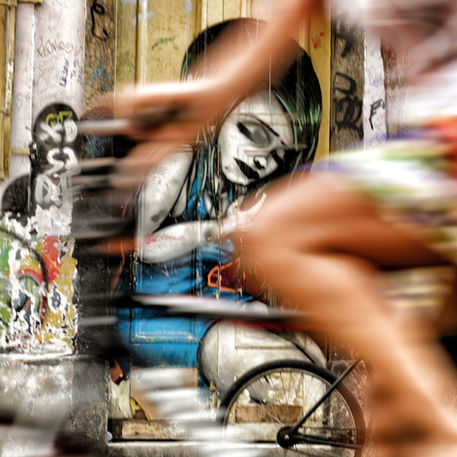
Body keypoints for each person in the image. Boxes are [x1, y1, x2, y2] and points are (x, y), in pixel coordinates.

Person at [95, 0, 457, 455]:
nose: (262, 161)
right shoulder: (182, 165)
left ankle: (436, 417)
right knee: (388, 396)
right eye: (252, 132)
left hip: (444, 152)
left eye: (279, 154)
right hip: (171, 318)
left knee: (280, 242)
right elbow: (142, 244)